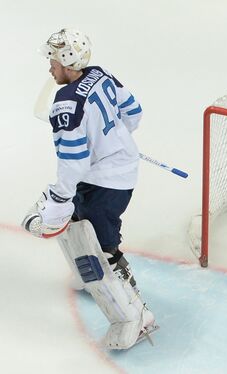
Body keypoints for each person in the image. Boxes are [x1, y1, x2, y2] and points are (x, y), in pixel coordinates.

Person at [21, 28, 156, 348]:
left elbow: (74, 162)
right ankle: (88, 277)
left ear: (67, 62)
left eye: (53, 60)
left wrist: (59, 196)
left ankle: (136, 316)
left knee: (103, 247)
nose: (50, 66)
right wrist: (113, 141)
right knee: (81, 227)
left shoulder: (65, 104)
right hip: (115, 171)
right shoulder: (100, 74)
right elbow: (133, 113)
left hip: (104, 183)